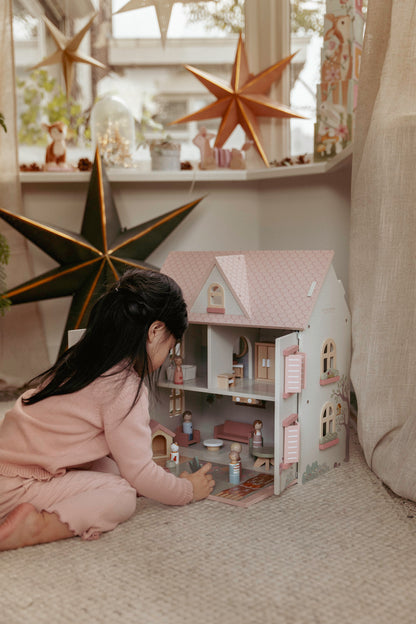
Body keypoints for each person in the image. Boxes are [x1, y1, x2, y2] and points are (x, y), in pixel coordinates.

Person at [0, 268, 215, 551]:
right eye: (170, 348)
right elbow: (139, 473)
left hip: (12, 468)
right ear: (155, 331)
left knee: (112, 471)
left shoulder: (81, 361)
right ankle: (35, 527)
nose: (165, 359)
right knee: (122, 493)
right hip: (17, 486)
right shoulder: (123, 387)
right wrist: (187, 491)